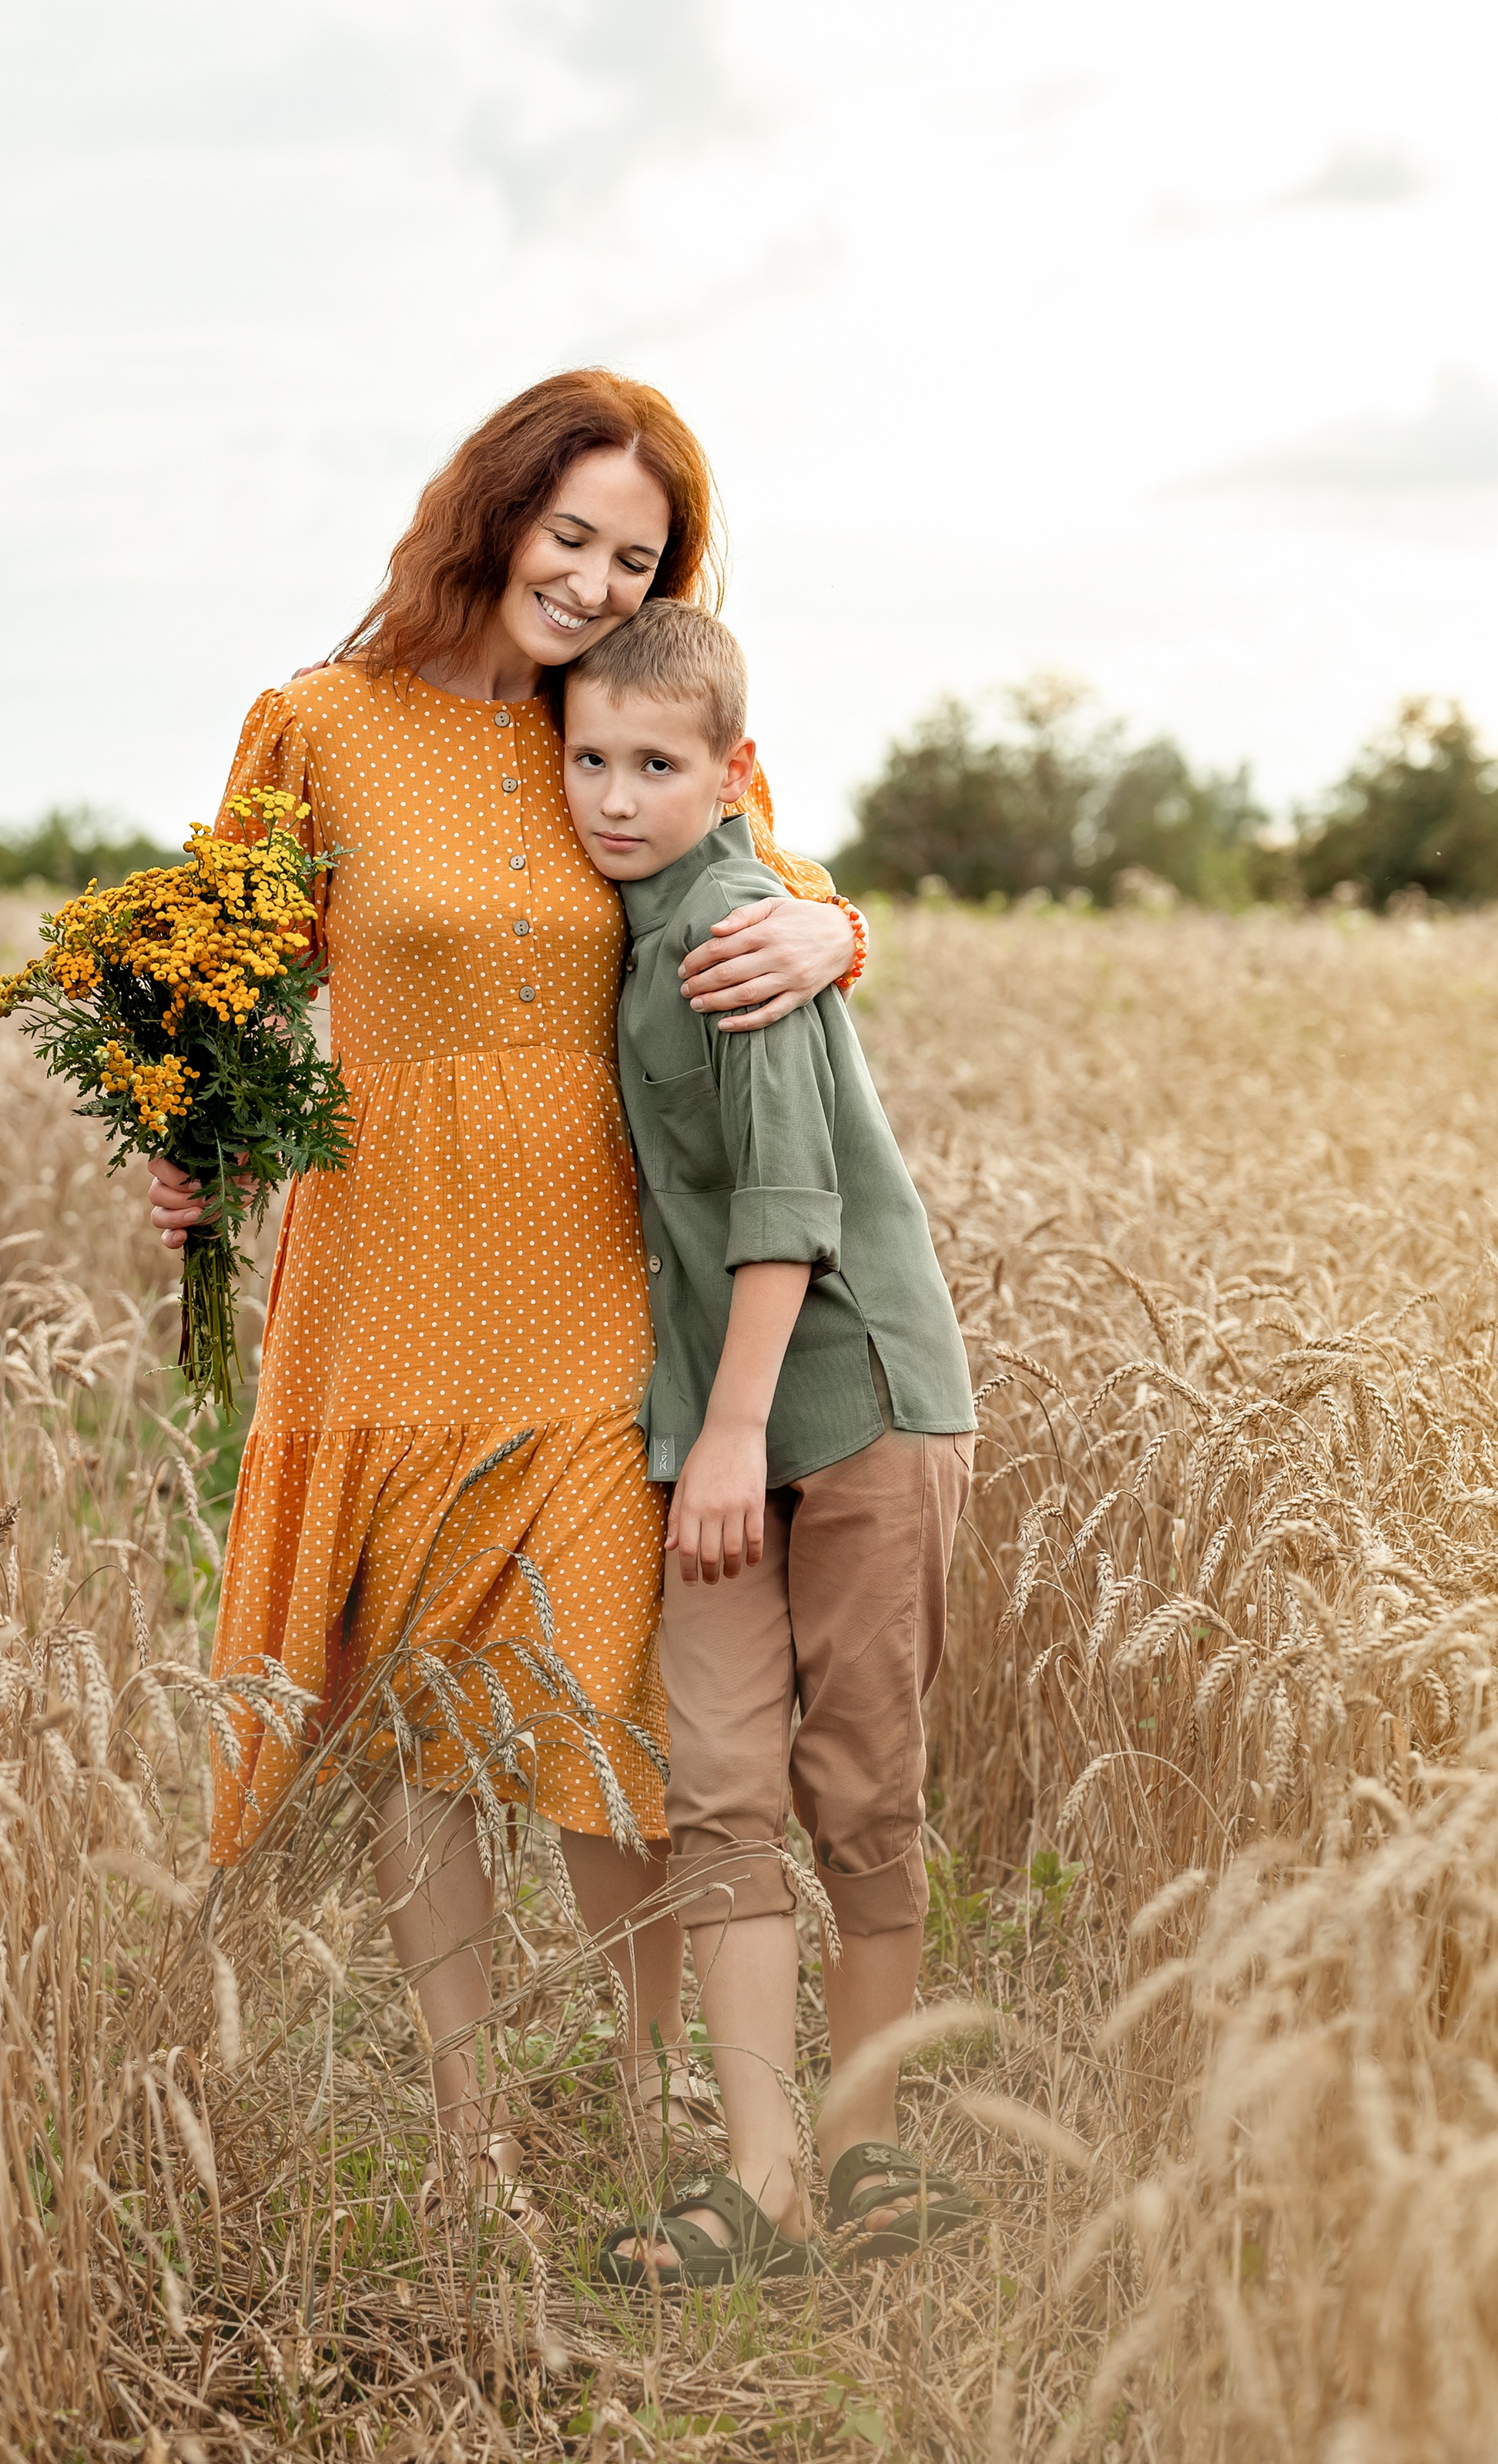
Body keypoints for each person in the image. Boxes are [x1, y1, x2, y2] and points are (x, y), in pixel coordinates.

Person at [143, 372, 861, 2225]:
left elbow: (771, 886)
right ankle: (472, 2145)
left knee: (596, 1699)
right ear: (492, 512)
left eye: (638, 556)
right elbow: (218, 985)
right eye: (572, 538)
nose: (598, 584)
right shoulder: (314, 726)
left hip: (598, 1276)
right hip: (381, 1269)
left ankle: (635, 2110)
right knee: (421, 1728)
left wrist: (841, 927)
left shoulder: (622, 721)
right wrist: (186, 1133)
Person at [560, 598, 979, 2283]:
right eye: (587, 758)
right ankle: (761, 2172)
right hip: (713, 1425)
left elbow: (789, 1209)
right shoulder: (633, 927)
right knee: (717, 1774)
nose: (611, 794)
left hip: (850, 1408)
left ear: (731, 773)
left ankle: (869, 2148)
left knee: (860, 1778)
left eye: (653, 764)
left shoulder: (737, 926)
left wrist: (726, 1434)